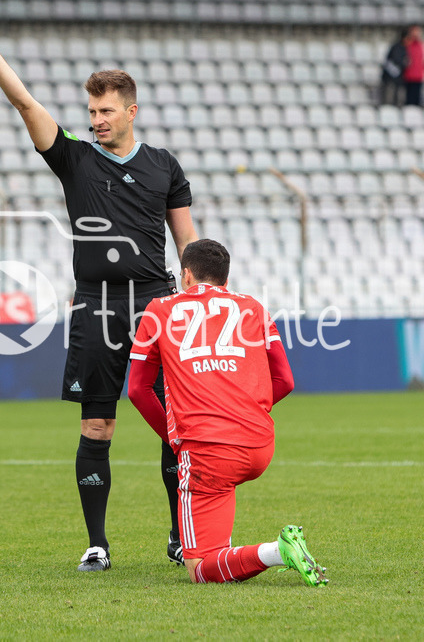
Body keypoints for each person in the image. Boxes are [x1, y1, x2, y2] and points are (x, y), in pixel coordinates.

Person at [0, 8, 199, 572]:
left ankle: (178, 535)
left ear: (130, 111)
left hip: (157, 303)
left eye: (106, 110)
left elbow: (187, 242)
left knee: (174, 423)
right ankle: (97, 542)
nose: (96, 119)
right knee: (98, 424)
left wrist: (197, 297)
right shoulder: (74, 158)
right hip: (96, 303)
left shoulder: (165, 165)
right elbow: (25, 104)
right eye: (91, 110)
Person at [127, 239, 328, 586]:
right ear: (225, 277)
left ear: (186, 275)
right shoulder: (253, 307)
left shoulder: (158, 311)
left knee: (199, 569)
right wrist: (249, 411)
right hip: (259, 445)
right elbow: (285, 379)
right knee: (218, 523)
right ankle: (227, 546)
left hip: (207, 449)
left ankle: (277, 551)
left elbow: (137, 389)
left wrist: (173, 436)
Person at [379, 29, 409, 106]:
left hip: (398, 79)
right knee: (388, 100)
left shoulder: (403, 48)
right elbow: (396, 60)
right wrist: (405, 62)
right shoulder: (397, 47)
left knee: (397, 100)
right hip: (390, 79)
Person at [401, 25, 424, 106]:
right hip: (409, 76)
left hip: (418, 76)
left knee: (417, 100)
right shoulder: (407, 44)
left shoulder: (421, 45)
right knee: (409, 100)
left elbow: (423, 60)